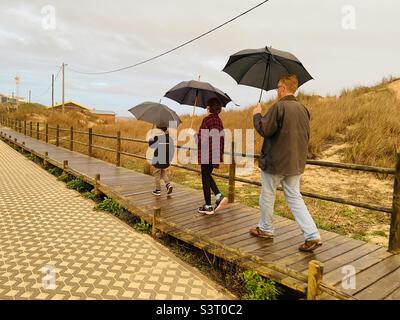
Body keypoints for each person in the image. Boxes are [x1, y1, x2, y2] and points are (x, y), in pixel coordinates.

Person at [251, 74, 322, 252]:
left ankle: (266, 229)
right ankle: (312, 235)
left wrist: (257, 115)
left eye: (277, 87)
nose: (276, 91)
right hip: (295, 162)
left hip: (275, 162)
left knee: (267, 195)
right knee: (295, 198)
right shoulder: (304, 109)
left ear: (283, 88)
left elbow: (265, 129)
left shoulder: (279, 107)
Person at [196, 98, 228, 215]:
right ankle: (218, 196)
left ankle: (208, 206)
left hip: (207, 153)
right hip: (215, 152)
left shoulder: (207, 120)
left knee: (205, 177)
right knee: (207, 175)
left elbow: (202, 140)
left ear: (209, 108)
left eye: (206, 107)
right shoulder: (219, 121)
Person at [149, 126, 174, 196]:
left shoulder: (157, 137)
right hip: (166, 159)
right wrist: (170, 159)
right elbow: (172, 150)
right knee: (162, 171)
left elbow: (151, 145)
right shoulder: (170, 139)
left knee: (156, 173)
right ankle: (168, 185)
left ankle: (157, 190)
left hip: (158, 159)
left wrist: (151, 137)